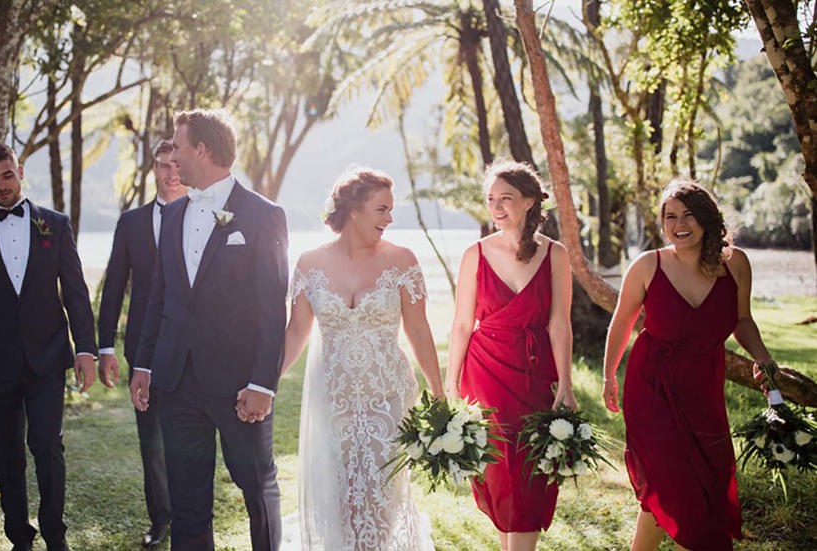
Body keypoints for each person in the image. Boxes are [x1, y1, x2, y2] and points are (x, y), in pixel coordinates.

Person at [129, 109, 287, 551]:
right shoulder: (175, 215)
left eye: (178, 146)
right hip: (177, 381)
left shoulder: (262, 215)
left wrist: (262, 383)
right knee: (187, 499)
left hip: (239, 384)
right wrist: (144, 362)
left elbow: (273, 309)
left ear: (202, 149)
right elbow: (160, 298)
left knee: (256, 488)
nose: (172, 157)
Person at [0, 142, 97, 551]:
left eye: (7, 176)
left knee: (47, 444)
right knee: (6, 454)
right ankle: (19, 538)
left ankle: (55, 536)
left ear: (20, 170)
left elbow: (76, 291)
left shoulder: (55, 224)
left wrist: (86, 349)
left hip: (47, 357)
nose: (2, 186)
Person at [602, 179, 774, 551]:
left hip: (703, 390)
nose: (679, 223)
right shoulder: (648, 265)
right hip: (652, 389)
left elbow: (742, 320)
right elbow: (622, 321)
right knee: (675, 484)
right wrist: (608, 375)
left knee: (698, 484)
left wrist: (762, 355)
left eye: (688, 215)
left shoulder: (736, 264)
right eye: (670, 216)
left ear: (707, 219)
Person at [279, 168, 444, 550]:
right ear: (353, 210)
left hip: (387, 394)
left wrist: (438, 393)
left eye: (390, 210)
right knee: (341, 496)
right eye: (381, 210)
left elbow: (418, 330)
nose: (389, 219)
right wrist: (265, 387)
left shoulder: (402, 260)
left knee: (380, 493)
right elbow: (296, 331)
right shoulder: (309, 263)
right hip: (333, 396)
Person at [444, 161, 576, 551]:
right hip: (485, 374)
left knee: (532, 471)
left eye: (507, 198)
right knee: (501, 474)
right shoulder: (475, 254)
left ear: (530, 201)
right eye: (491, 199)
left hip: (536, 375)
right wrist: (451, 383)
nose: (497, 207)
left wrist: (566, 384)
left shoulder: (556, 255)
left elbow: (560, 325)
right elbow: (462, 325)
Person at [97, 139, 186, 547]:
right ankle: (161, 519)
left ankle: (192, 517)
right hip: (143, 349)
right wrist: (105, 347)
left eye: (176, 164)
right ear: (152, 169)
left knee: (191, 436)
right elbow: (114, 286)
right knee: (151, 440)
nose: (170, 173)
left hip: (192, 348)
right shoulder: (131, 223)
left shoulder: (204, 217)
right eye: (162, 165)